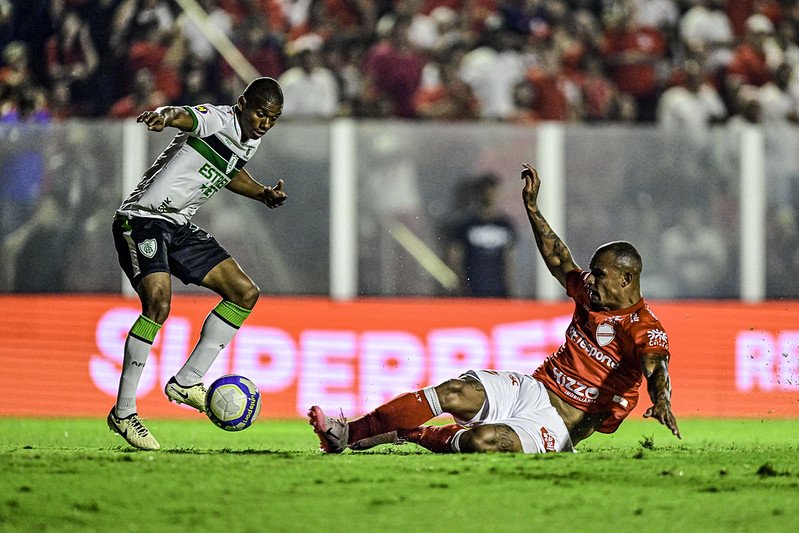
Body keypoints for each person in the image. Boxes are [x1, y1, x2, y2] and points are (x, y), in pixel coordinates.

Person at [309, 163, 680, 454]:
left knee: (483, 441)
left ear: (626, 280)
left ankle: (411, 434)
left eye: (600, 275)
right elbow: (558, 258)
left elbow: (656, 364)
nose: (590, 280)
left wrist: (662, 399)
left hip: (558, 427)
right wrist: (532, 208)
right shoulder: (589, 293)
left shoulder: (643, 326)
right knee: (454, 391)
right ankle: (346, 433)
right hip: (535, 388)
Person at [107, 77, 287, 451]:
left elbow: (229, 172)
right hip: (142, 219)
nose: (265, 123)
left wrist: (262, 193)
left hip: (178, 225)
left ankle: (188, 381)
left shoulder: (249, 141)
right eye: (260, 113)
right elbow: (185, 115)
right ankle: (123, 413)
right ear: (242, 103)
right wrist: (163, 115)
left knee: (244, 293)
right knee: (158, 305)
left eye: (273, 118)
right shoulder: (219, 118)